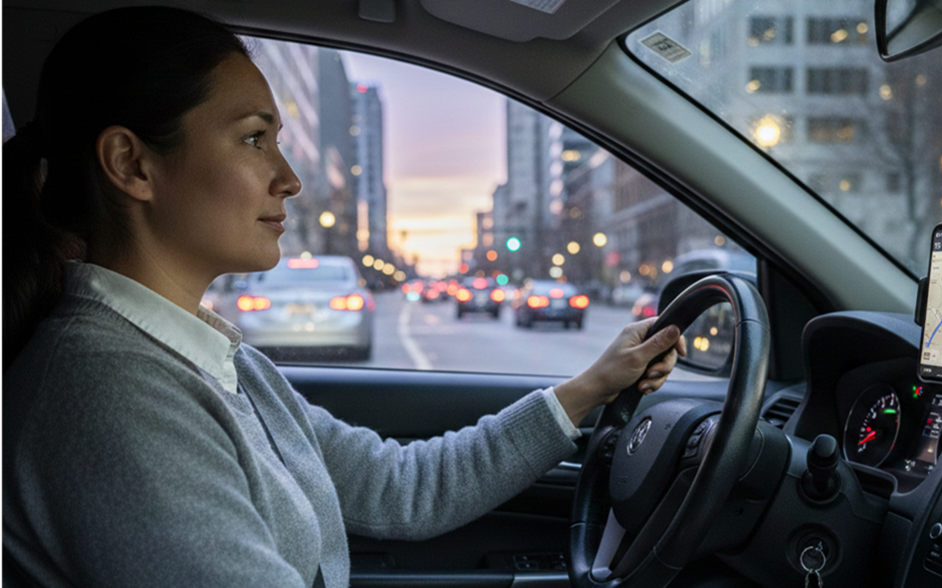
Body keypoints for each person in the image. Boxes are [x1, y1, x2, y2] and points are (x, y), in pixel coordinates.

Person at [0, 7, 685, 587]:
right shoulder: (107, 395)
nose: (290, 178)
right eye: (253, 139)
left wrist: (590, 387)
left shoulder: (216, 360)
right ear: (132, 164)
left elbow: (401, 489)